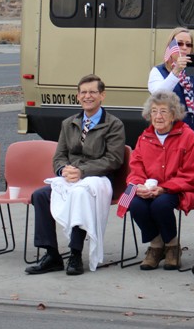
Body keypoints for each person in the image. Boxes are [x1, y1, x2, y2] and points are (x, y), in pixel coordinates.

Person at [25, 74, 125, 276]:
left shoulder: (114, 124)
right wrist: (64, 170)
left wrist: (83, 171)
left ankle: (75, 254)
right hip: (72, 176)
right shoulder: (68, 123)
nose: (87, 96)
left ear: (102, 95)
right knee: (41, 196)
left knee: (79, 194)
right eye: (83, 92)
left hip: (99, 178)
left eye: (92, 92)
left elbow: (114, 159)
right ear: (78, 96)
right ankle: (51, 254)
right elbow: (59, 156)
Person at [147, 27, 194, 241]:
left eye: (189, 44)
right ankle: (166, 242)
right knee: (168, 189)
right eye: (180, 44)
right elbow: (160, 96)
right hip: (173, 140)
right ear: (170, 47)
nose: (185, 48)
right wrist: (176, 71)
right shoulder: (159, 72)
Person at [126, 91, 194, 271]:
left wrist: (164, 188)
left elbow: (191, 174)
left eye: (163, 111)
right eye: (154, 111)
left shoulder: (187, 136)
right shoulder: (144, 137)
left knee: (160, 205)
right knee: (135, 203)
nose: (158, 116)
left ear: (173, 115)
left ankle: (172, 246)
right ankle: (156, 246)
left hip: (178, 188)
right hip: (149, 187)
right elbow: (136, 166)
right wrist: (139, 185)